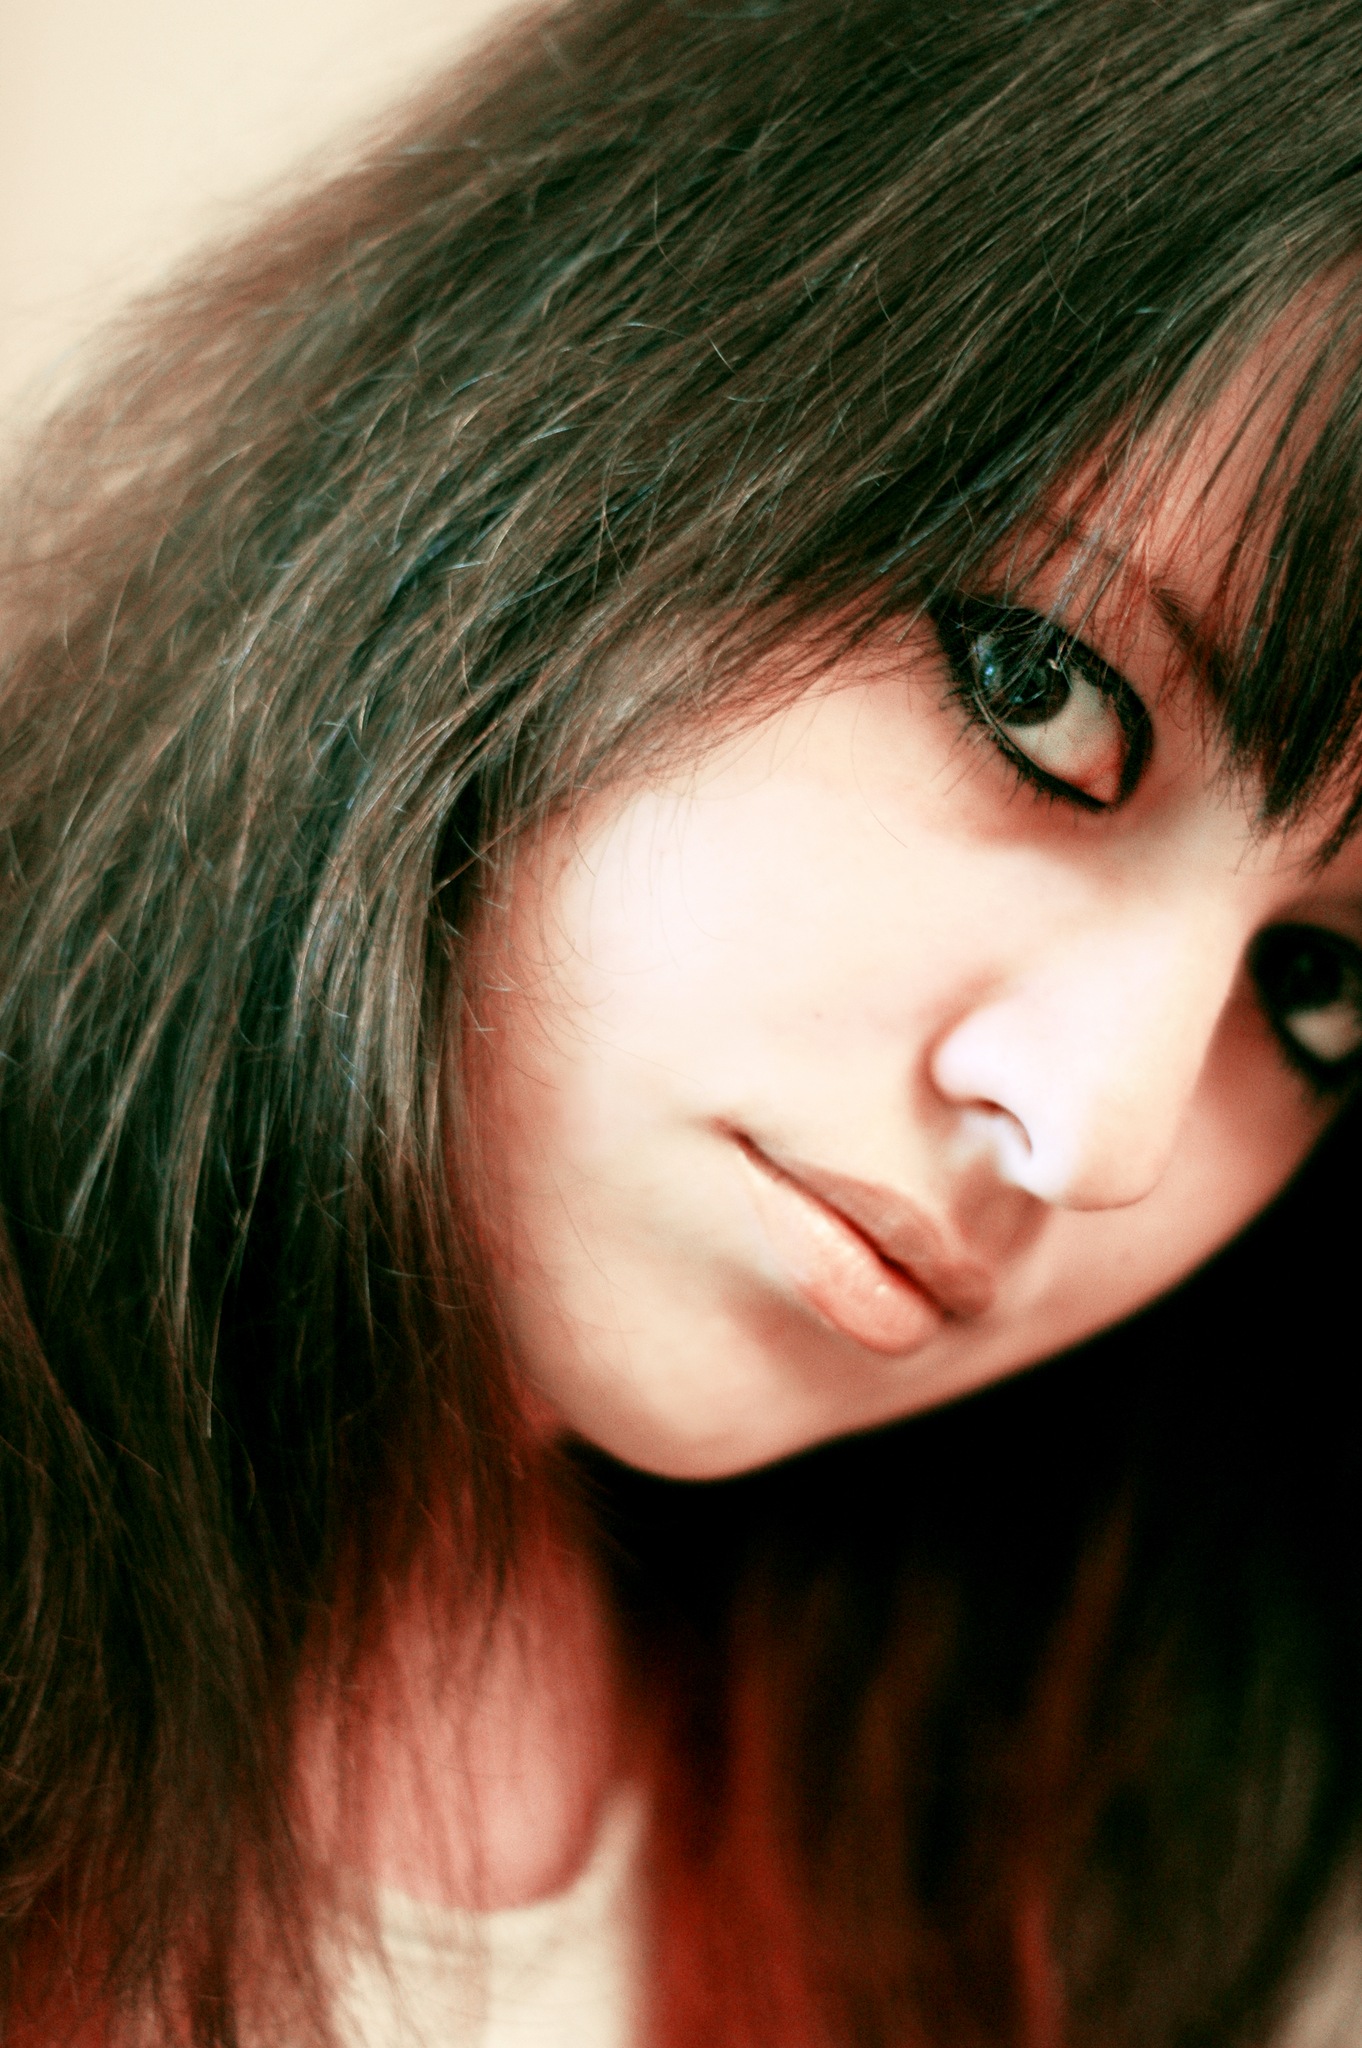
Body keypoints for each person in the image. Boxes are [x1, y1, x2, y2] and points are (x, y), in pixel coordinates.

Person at [4, 0, 1362, 2039]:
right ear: (567, 388)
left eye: (1322, 983)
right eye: (1043, 690)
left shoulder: (1061, 1816)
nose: (1100, 1130)